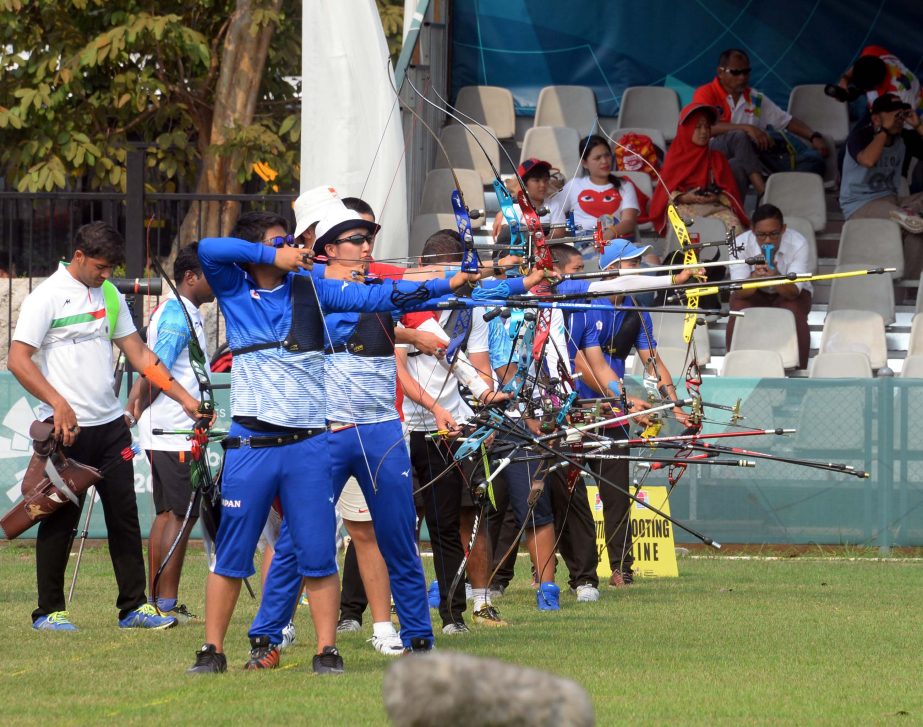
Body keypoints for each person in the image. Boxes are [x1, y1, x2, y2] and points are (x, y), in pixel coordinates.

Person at [186, 211, 475, 675]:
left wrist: (458, 280)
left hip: (344, 436)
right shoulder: (251, 290)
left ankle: (364, 643)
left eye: (368, 240)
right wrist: (275, 253)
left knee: (351, 545)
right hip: (287, 437)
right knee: (266, 552)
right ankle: (243, 643)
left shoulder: (324, 289)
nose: (365, 249)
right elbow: (209, 251)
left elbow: (391, 291)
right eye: (355, 240)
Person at [8, 221, 202, 632]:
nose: (106, 275)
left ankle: (134, 608)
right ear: (78, 257)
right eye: (100, 266)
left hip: (112, 427)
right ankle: (48, 613)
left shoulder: (109, 294)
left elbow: (140, 355)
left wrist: (185, 400)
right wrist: (58, 403)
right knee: (59, 521)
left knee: (125, 519)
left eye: (112, 267)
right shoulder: (46, 297)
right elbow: (18, 360)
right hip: (67, 431)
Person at [127, 242, 215, 622]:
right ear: (191, 277)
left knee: (172, 513)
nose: (219, 282)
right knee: (179, 515)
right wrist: (135, 407)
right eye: (211, 274)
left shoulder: (187, 311)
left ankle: (162, 598)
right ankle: (162, 601)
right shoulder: (178, 315)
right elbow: (154, 368)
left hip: (173, 428)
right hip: (171, 428)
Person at [693, 48, 829, 196]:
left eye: (746, 72)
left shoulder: (755, 98)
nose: (742, 77)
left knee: (812, 162)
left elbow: (785, 121)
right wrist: (747, 128)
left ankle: (775, 199)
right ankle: (763, 191)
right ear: (720, 72)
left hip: (749, 157)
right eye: (736, 72)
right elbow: (704, 129)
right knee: (740, 136)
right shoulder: (706, 92)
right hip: (713, 151)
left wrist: (813, 136)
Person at [839, 93, 923, 280]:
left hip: (891, 201)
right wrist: (883, 131)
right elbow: (868, 160)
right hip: (859, 204)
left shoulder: (903, 138)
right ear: (876, 117)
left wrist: (917, 125)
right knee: (912, 222)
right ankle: (909, 215)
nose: (898, 120)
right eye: (894, 115)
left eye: (901, 115)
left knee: (917, 231)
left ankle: (912, 289)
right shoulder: (861, 135)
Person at [725, 204, 814, 369]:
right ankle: (733, 367)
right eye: (761, 235)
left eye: (773, 234)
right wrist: (756, 276)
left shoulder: (798, 243)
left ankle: (800, 370)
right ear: (752, 230)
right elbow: (740, 291)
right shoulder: (739, 244)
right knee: (738, 308)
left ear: (783, 229)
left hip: (787, 292)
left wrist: (774, 275)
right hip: (755, 292)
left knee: (794, 309)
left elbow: (793, 292)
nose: (767, 240)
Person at [649, 103, 749, 238]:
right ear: (687, 129)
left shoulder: (717, 158)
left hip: (714, 207)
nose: (704, 132)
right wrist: (684, 197)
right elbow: (663, 195)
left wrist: (717, 196)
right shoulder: (675, 158)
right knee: (690, 233)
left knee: (735, 230)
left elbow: (730, 193)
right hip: (683, 207)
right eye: (698, 127)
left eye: (707, 127)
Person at [548, 135, 640, 244]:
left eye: (607, 155)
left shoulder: (624, 185)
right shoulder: (574, 185)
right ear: (584, 163)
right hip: (585, 241)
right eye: (597, 158)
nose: (604, 161)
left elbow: (629, 221)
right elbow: (553, 208)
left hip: (616, 239)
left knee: (652, 258)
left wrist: (610, 232)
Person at [491, 157, 552, 241]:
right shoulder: (514, 207)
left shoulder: (554, 204)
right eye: (536, 180)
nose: (542, 185)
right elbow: (506, 231)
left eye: (545, 180)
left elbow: (559, 232)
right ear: (523, 184)